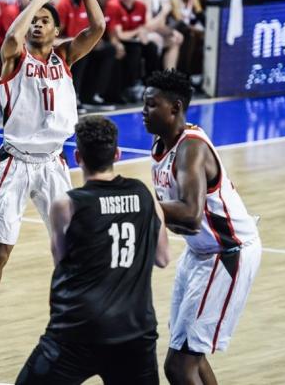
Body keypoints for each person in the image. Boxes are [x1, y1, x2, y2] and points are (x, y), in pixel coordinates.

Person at [0, 0, 106, 377]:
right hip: (17, 163)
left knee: (70, 252)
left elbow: (97, 27)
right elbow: (11, 37)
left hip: (53, 163)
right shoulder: (14, 58)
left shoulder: (65, 57)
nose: (38, 25)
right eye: (35, 21)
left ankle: (77, 327)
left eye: (46, 21)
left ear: (58, 31)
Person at [15, 115, 170, 385]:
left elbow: (61, 262)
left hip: (77, 331)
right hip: (134, 331)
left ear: (78, 157)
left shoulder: (66, 205)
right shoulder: (143, 194)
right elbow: (163, 257)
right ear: (117, 154)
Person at [142, 70, 262, 385]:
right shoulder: (162, 143)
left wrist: (141, 206)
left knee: (179, 366)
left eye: (151, 105)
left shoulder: (190, 148)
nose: (144, 111)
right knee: (186, 353)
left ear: (175, 108)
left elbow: (191, 214)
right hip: (200, 252)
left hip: (229, 253)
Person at [56, 0, 116, 109]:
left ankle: (95, 94)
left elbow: (93, 28)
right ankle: (76, 96)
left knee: (109, 50)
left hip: (81, 42)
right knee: (81, 53)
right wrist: (75, 41)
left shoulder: (86, 3)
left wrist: (94, 40)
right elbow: (55, 34)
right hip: (65, 45)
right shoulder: (63, 3)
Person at [106, 0, 160, 98]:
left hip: (134, 40)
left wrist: (143, 35)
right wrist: (138, 31)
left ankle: (151, 84)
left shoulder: (141, 6)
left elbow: (143, 29)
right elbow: (120, 35)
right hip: (118, 40)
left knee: (152, 47)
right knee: (135, 50)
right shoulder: (113, 5)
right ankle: (131, 85)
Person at [138, 0, 184, 71]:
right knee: (156, 39)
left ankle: (170, 76)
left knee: (175, 40)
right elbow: (148, 26)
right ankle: (152, 77)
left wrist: (173, 32)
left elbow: (161, 25)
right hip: (137, 32)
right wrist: (163, 12)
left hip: (149, 31)